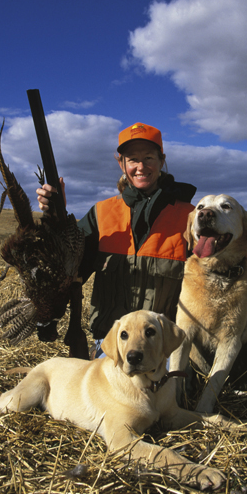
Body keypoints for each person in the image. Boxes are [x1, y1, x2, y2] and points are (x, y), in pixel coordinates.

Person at [37, 122, 196, 359]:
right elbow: (66, 266)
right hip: (113, 346)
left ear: (162, 161)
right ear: (121, 163)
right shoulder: (101, 214)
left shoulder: (190, 217)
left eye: (149, 158)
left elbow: (215, 277)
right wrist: (56, 217)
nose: (141, 167)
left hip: (166, 348)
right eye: (132, 159)